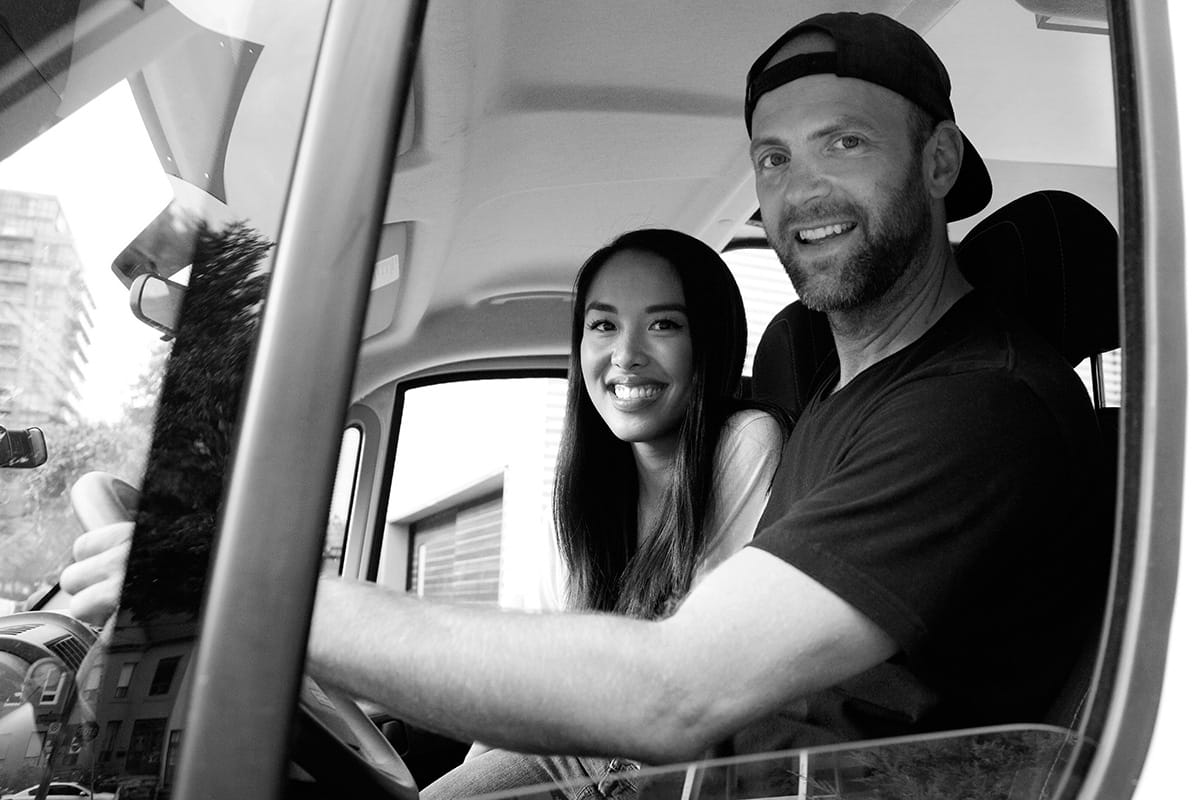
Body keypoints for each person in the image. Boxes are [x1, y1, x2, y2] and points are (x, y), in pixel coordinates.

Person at [63, 9, 1107, 795]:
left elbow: (673, 687)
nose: (801, 193)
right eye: (774, 159)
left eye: (845, 142)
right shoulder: (832, 379)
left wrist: (247, 592)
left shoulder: (983, 407)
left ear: (938, 159)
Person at [444, 228, 785, 791]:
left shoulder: (746, 440)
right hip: (574, 748)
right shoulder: (585, 487)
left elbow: (689, 667)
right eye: (603, 325)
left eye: (663, 325)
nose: (626, 356)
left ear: (710, 341)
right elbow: (524, 673)